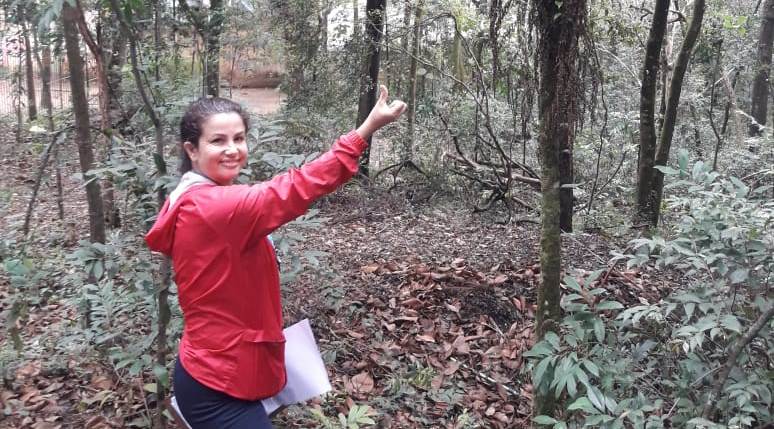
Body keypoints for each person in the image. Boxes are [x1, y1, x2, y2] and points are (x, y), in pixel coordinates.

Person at [145, 86, 406, 428]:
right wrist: (365, 131)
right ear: (192, 150)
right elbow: (296, 187)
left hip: (219, 366)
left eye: (239, 138)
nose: (232, 149)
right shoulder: (213, 207)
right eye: (218, 141)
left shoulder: (195, 197)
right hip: (218, 385)